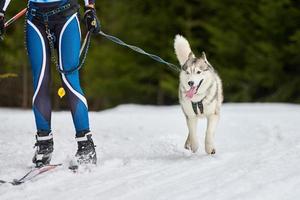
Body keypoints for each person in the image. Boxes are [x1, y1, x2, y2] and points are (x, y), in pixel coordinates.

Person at [0, 0, 100, 167]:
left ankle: (86, 146)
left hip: (66, 16)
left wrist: (90, 8)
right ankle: (44, 144)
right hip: (36, 19)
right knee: (40, 82)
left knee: (70, 80)